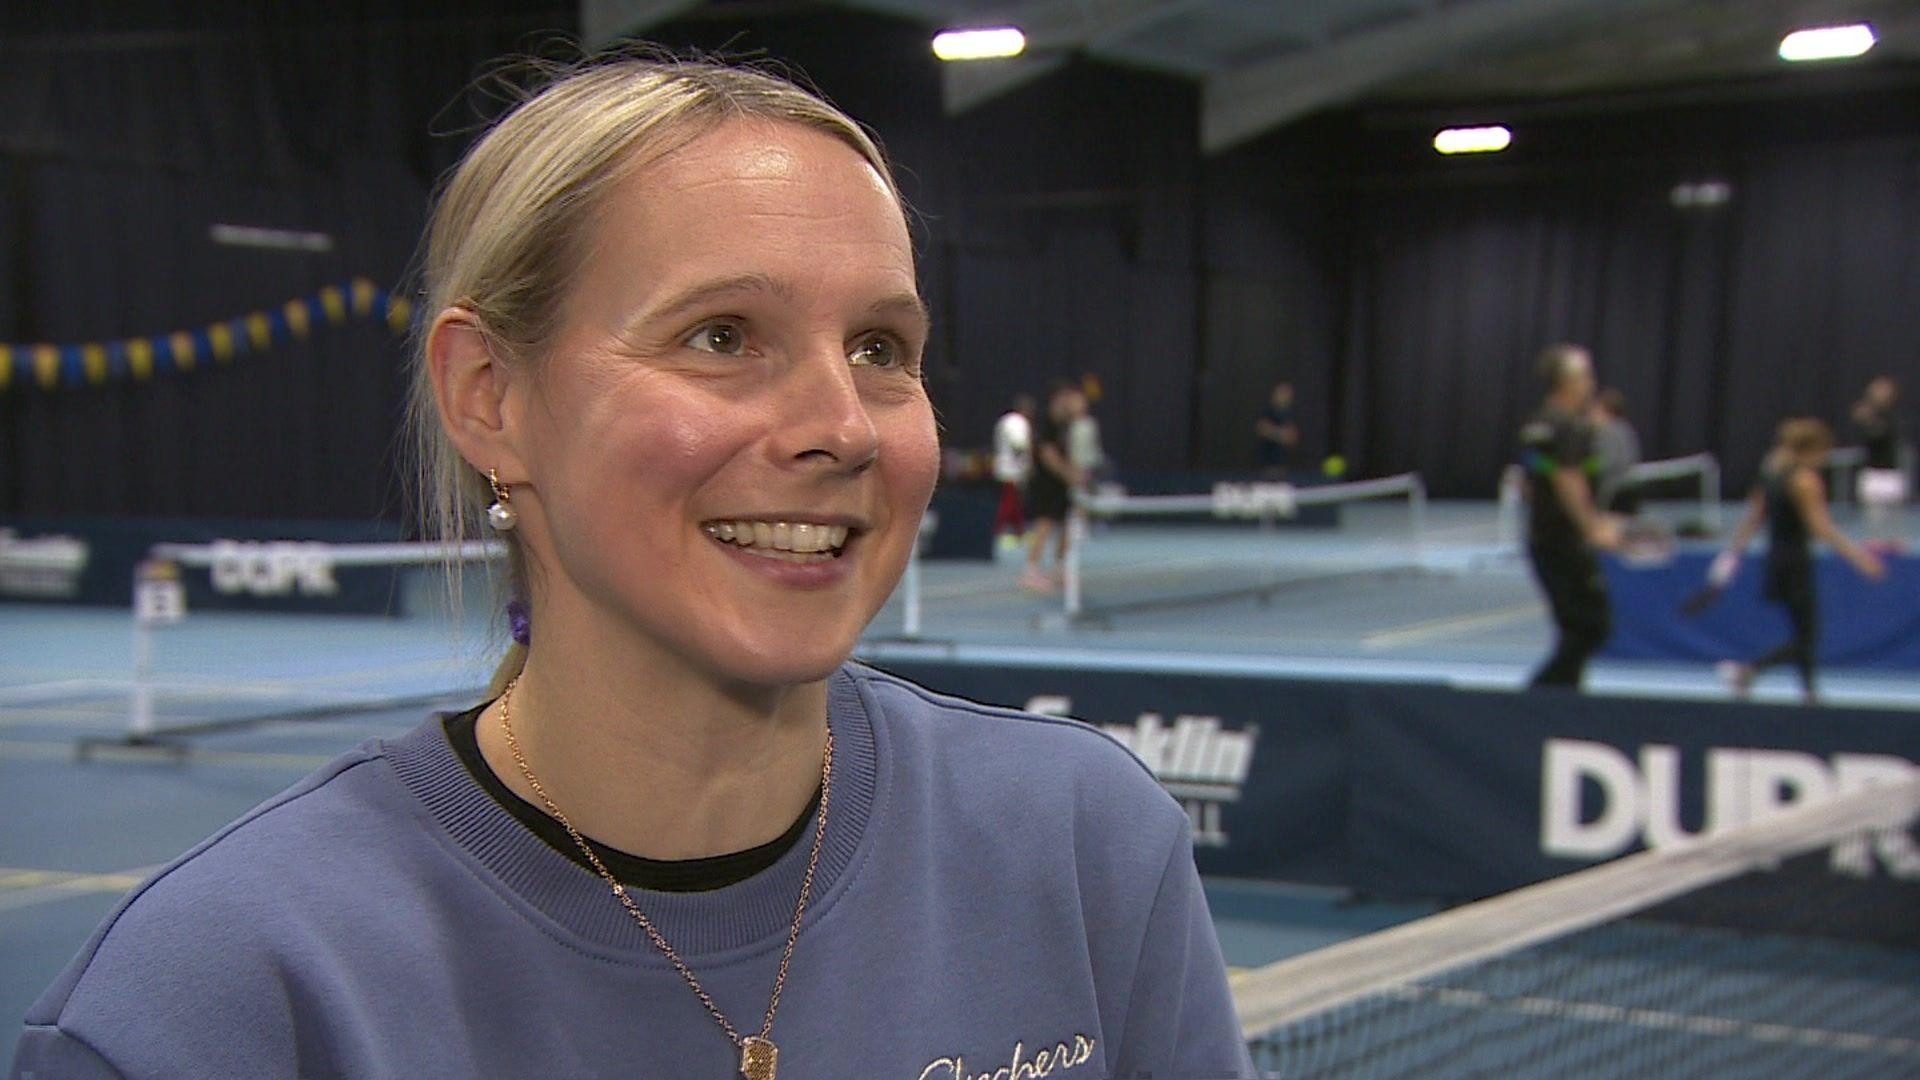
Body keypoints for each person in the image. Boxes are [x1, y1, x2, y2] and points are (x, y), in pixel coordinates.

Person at [13, 55, 1252, 1079]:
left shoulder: (1085, 845)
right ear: (490, 397)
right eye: (723, 336)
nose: (843, 425)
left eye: (882, 344)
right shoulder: (222, 994)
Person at [1716, 419, 1886, 703]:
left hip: (1775, 560)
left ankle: (1808, 693)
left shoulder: (1771, 473)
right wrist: (1860, 559)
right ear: (1813, 450)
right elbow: (1821, 527)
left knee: (1804, 631)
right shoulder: (1805, 481)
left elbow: (1753, 519)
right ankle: (1750, 670)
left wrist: (1732, 554)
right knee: (1808, 634)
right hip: (1795, 563)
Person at [1518, 343, 1623, 689]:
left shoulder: (1536, 423)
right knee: (1594, 625)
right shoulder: (1568, 426)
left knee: (1574, 630)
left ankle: (1566, 705)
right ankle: (1534, 699)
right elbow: (1568, 480)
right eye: (1586, 374)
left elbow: (1529, 484)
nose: (1592, 382)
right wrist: (1592, 528)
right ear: (1570, 381)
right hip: (1564, 544)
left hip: (1542, 539)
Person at [1022, 380, 1086, 592]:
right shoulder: (1045, 423)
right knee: (1045, 524)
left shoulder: (1068, 425)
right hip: (1045, 483)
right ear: (1058, 400)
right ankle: (1030, 571)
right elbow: (1048, 456)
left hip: (1062, 485)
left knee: (1067, 526)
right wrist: (1069, 475)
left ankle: (1059, 568)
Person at [1852, 376, 1907, 549]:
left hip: (1891, 473)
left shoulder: (1893, 417)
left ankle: (1892, 544)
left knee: (1893, 518)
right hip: (1872, 473)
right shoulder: (1866, 414)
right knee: (1874, 517)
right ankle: (1875, 544)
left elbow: (1884, 433)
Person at [990, 393, 1035, 549]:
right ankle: (998, 531)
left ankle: (1020, 531)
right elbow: (1019, 445)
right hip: (1012, 470)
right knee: (1008, 502)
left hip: (1006, 467)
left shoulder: (1005, 420)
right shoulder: (1018, 422)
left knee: (1014, 503)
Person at [1590, 388, 1641, 515]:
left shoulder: (1606, 432)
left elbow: (1604, 463)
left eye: (1594, 410)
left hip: (1611, 495)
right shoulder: (1626, 430)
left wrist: (1580, 468)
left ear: (1604, 411)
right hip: (1629, 492)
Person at [1255, 381, 1300, 479]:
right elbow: (1262, 429)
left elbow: (1292, 439)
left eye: (1288, 393)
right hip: (1267, 470)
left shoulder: (1291, 415)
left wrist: (1281, 435)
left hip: (1284, 471)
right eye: (1282, 393)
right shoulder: (1267, 411)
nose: (1285, 396)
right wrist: (1281, 434)